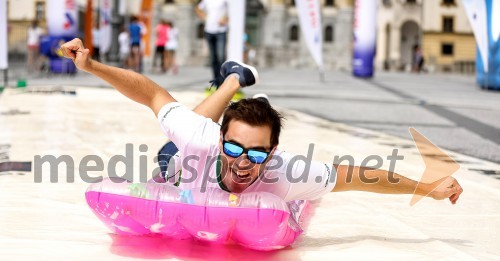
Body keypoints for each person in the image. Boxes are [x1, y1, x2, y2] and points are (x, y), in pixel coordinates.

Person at [59, 38, 463, 205]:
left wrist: (428, 188)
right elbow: (150, 93)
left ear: (272, 153)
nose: (243, 162)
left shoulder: (287, 172)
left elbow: (358, 176)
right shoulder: (201, 139)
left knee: (205, 123)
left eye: (256, 152)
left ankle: (239, 83)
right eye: (233, 147)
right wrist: (91, 65)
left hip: (212, 138)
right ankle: (234, 79)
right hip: (182, 162)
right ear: (222, 143)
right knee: (175, 147)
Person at [195, 0, 229, 88]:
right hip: (209, 31)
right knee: (213, 59)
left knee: (221, 57)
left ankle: (222, 81)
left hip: (221, 31)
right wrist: (205, 17)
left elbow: (231, 10)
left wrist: (225, 18)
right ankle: (216, 80)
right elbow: (198, 9)